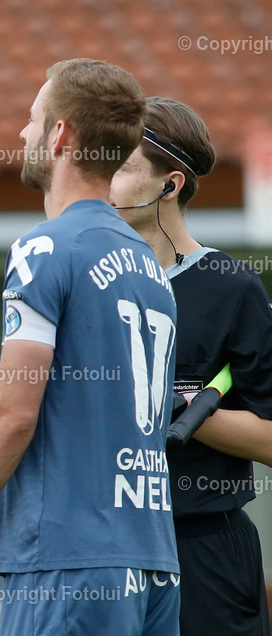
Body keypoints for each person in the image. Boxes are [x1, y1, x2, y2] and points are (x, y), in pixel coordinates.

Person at [0, 59, 180, 635]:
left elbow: (13, 415)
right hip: (154, 559)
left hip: (70, 560)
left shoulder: (43, 250)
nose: (22, 133)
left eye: (32, 119)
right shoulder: (152, 268)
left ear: (59, 134)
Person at [110, 96, 272, 636]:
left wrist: (179, 408)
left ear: (170, 184)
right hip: (106, 548)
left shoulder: (234, 289)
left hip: (203, 550)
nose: (103, 182)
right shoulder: (87, 279)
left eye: (124, 167)